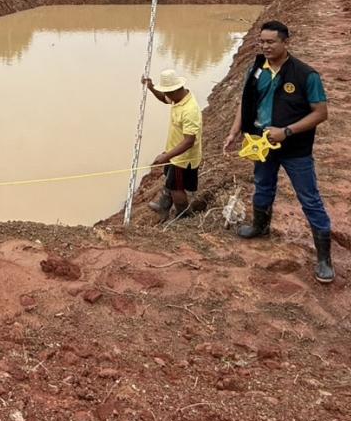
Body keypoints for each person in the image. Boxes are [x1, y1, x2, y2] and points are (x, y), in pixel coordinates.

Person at [223, 20, 335, 283]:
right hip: (261, 144)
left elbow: (321, 113)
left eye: (271, 42)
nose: (265, 46)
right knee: (262, 185)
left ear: (286, 42)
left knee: (309, 197)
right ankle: (260, 226)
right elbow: (246, 102)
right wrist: (234, 131)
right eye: (262, 42)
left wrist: (286, 131)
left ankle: (324, 258)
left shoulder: (306, 75)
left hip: (295, 148)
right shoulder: (256, 68)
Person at [142, 68, 202, 220]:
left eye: (167, 92)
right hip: (174, 152)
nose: (166, 96)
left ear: (175, 90)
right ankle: (163, 207)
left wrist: (166, 156)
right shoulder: (178, 98)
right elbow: (164, 99)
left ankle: (184, 216)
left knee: (176, 188)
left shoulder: (190, 110)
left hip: (183, 158)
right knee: (170, 180)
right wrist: (151, 87)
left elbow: (189, 141)